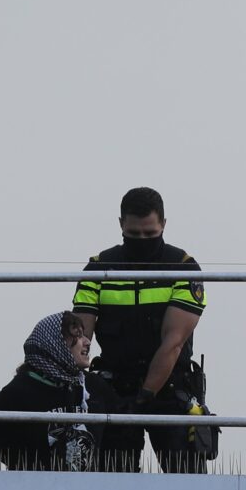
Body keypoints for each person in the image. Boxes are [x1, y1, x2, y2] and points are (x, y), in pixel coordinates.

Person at [72, 186, 211, 472]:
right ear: (121, 224)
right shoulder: (99, 269)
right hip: (114, 389)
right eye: (134, 235)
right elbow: (79, 336)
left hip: (171, 388)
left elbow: (172, 343)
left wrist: (144, 397)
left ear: (164, 225)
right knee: (111, 489)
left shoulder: (183, 268)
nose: (142, 241)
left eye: (150, 234)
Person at [0, 312, 94, 469]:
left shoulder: (92, 388)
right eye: (77, 335)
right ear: (55, 343)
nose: (87, 342)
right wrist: (29, 466)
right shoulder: (17, 393)